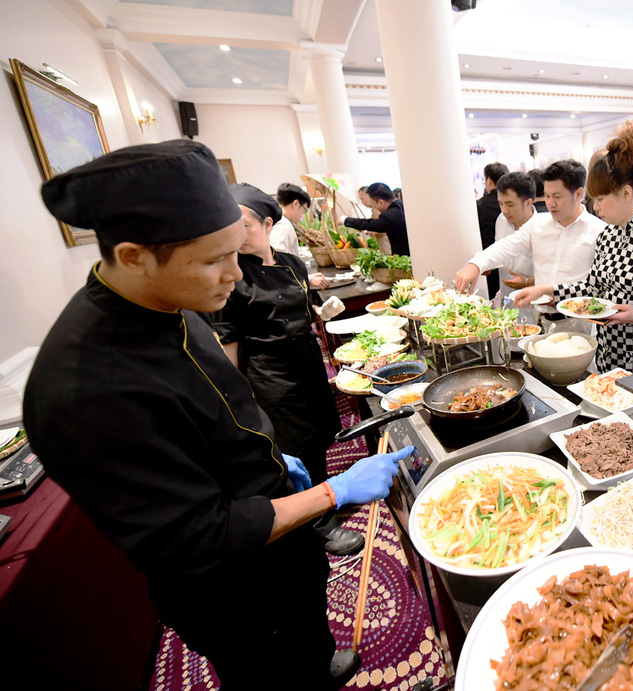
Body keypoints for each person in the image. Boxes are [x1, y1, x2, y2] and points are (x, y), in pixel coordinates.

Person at [24, 139, 415, 688]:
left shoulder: (167, 300)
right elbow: (199, 537)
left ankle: (316, 657)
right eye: (215, 260)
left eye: (237, 249)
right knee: (273, 669)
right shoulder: (86, 389)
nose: (236, 273)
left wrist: (275, 458)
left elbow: (222, 403)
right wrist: (333, 493)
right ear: (135, 256)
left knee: (306, 636)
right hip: (235, 588)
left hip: (276, 533)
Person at [212, 181, 357, 555]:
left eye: (244, 225)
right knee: (295, 449)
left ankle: (321, 497)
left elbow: (301, 309)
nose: (237, 235)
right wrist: (237, 398)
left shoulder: (292, 263)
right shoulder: (233, 273)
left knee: (322, 434)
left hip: (309, 366)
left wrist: (320, 313)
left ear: (267, 225)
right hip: (271, 377)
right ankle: (318, 524)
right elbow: (229, 342)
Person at [514, 121, 633, 371]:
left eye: (601, 199)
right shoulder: (608, 235)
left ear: (626, 193)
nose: (595, 207)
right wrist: (547, 290)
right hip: (609, 352)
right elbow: (592, 288)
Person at [454, 160, 605, 332]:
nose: (551, 203)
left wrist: (559, 294)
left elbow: (599, 285)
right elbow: (506, 246)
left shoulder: (598, 230)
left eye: (557, 197)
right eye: (547, 196)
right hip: (540, 319)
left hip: (578, 323)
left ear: (578, 194)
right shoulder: (539, 224)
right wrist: (475, 265)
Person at [272, 183, 329, 288]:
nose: (302, 214)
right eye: (304, 209)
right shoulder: (283, 226)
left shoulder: (278, 221)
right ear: (295, 204)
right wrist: (307, 279)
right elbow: (276, 265)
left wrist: (305, 276)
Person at [493, 171, 537, 297]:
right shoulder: (501, 220)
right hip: (506, 298)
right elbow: (500, 250)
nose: (504, 210)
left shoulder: (541, 228)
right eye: (500, 204)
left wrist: (527, 282)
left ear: (528, 203)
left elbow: (554, 276)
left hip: (532, 303)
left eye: (510, 204)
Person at [341, 182, 409, 256]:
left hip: (406, 258)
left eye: (373, 204)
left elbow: (369, 224)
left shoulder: (389, 215)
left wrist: (344, 220)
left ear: (381, 202)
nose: (373, 207)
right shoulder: (403, 205)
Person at [477, 162, 509, 298]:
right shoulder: (511, 206)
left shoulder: (480, 205)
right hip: (509, 258)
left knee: (492, 298)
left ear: (489, 180)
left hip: (488, 261)